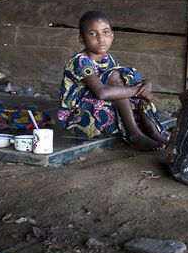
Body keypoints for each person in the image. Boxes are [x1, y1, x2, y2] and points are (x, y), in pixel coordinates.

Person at [58, 10, 169, 150]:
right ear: (81, 39)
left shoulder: (108, 59)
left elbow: (133, 93)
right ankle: (135, 134)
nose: (101, 38)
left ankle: (154, 132)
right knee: (117, 78)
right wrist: (138, 90)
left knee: (131, 86)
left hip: (98, 109)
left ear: (112, 35)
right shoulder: (79, 61)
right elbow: (102, 93)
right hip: (79, 118)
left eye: (105, 32)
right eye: (93, 34)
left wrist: (145, 85)